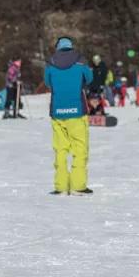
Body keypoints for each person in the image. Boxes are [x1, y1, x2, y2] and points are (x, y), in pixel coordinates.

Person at [43, 37, 94, 195]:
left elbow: (47, 82)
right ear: (71, 47)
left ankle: (61, 186)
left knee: (60, 149)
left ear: (58, 48)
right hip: (77, 112)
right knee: (79, 149)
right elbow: (90, 78)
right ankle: (78, 186)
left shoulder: (51, 63)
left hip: (58, 113)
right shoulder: (80, 61)